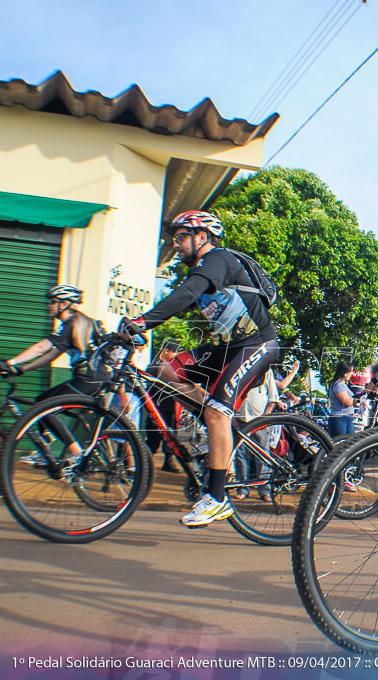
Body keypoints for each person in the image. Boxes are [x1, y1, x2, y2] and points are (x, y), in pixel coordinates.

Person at [120, 210, 279, 527]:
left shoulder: (217, 258)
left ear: (201, 237)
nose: (175, 244)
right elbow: (184, 298)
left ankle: (217, 498)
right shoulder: (203, 269)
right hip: (226, 347)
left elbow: (187, 293)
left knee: (218, 410)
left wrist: (142, 322)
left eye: (181, 237)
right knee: (164, 371)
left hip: (257, 344)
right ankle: (217, 425)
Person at [0, 285, 108, 466]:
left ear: (65, 304)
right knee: (42, 400)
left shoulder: (72, 324)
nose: (48, 306)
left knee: (45, 408)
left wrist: (11, 363)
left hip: (89, 378)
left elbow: (41, 348)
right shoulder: (83, 322)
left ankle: (77, 454)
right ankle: (44, 450)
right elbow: (50, 356)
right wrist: (22, 369)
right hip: (96, 378)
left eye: (52, 302)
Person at [233, 368, 281, 501]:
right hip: (240, 421)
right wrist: (232, 417)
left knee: (263, 456)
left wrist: (264, 419)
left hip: (259, 422)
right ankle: (242, 489)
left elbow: (273, 399)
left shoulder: (267, 372)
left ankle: (264, 490)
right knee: (240, 456)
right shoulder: (240, 369)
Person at [146, 340, 182, 472]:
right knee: (153, 437)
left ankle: (168, 462)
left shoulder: (173, 367)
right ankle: (145, 464)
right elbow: (148, 388)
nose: (175, 355)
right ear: (166, 351)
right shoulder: (153, 366)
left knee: (171, 437)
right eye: (174, 352)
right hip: (156, 406)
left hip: (171, 406)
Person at [328, 360, 356, 438]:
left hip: (348, 417)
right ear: (345, 372)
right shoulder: (338, 385)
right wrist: (354, 400)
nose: (351, 374)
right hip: (339, 418)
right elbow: (346, 402)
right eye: (351, 371)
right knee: (339, 442)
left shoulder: (343, 385)